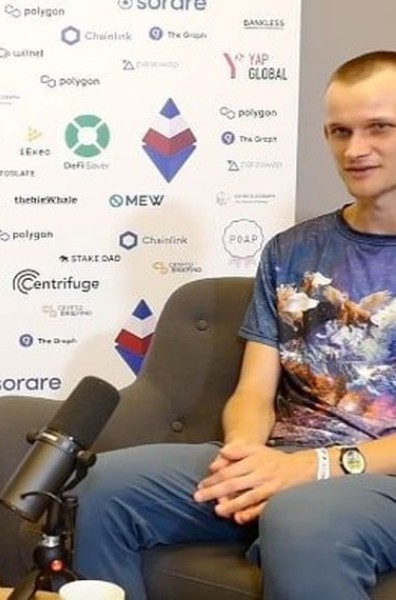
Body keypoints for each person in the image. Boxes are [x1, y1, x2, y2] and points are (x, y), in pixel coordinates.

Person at [72, 50, 396, 599]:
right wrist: (245, 455)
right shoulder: (292, 250)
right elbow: (253, 391)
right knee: (98, 487)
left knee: (303, 517)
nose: (355, 149)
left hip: (375, 477)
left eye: (379, 128)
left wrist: (313, 469)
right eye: (340, 131)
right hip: (284, 460)